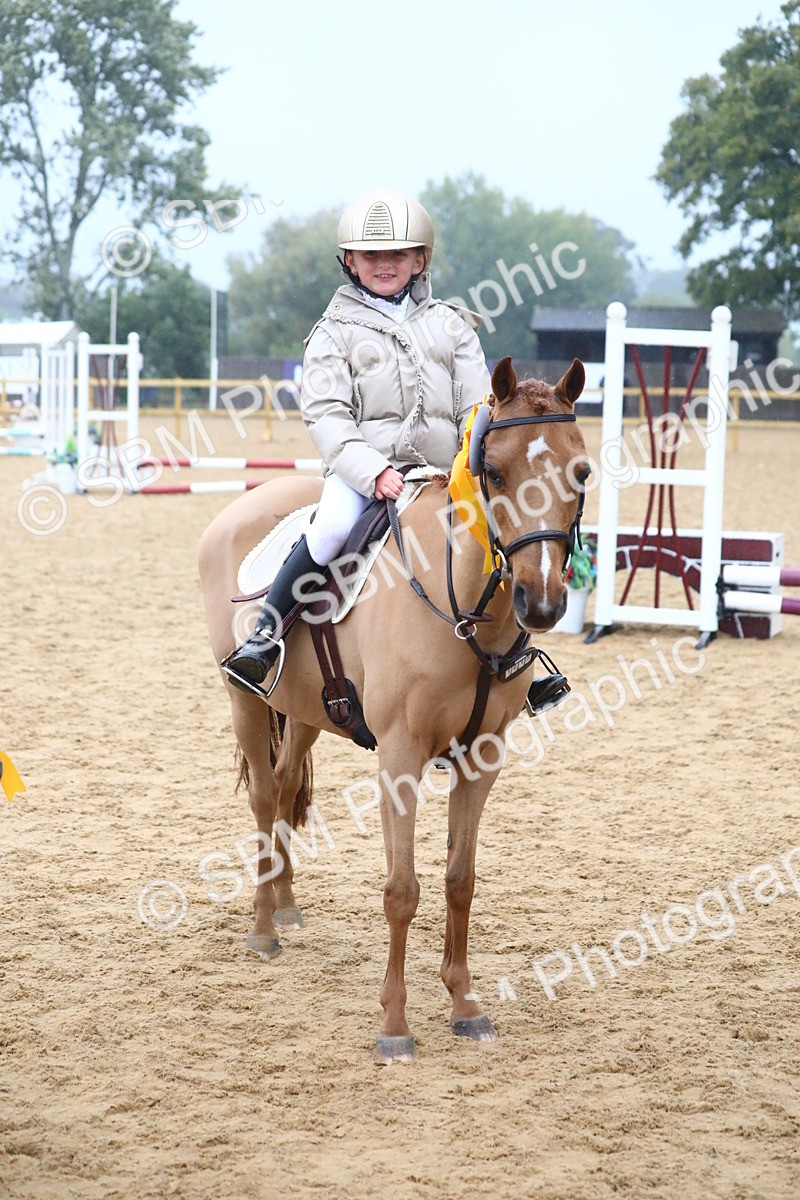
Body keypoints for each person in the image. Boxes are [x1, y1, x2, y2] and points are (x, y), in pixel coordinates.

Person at [222, 187, 491, 696]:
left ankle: (520, 661)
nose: (384, 265)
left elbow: (476, 405)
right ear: (350, 261)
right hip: (364, 475)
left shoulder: (452, 326)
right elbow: (327, 414)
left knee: (502, 533)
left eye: (397, 254)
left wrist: (466, 464)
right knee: (330, 531)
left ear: (420, 260)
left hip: (444, 474)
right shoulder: (333, 332)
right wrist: (374, 473)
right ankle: (264, 637)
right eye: (371, 255)